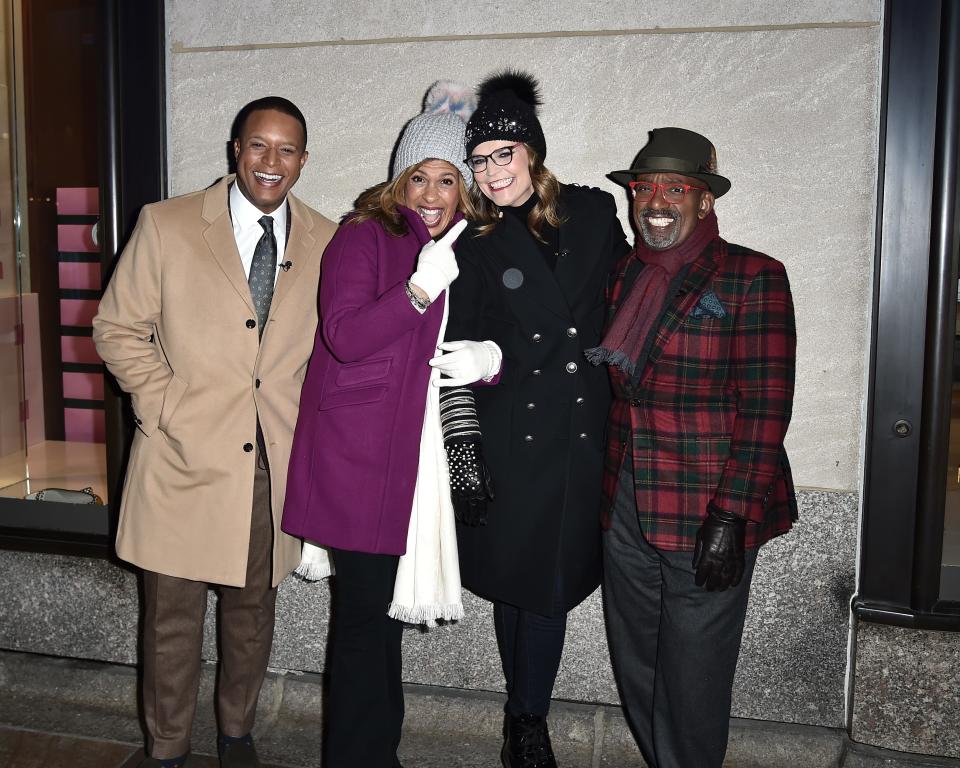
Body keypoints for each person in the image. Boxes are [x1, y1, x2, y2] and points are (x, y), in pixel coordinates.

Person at [92, 97, 337, 768]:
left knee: (251, 617)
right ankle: (166, 748)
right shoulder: (167, 224)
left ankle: (237, 734)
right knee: (171, 623)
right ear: (236, 148)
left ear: (304, 161)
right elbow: (117, 328)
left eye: (287, 150)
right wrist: (164, 404)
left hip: (270, 467)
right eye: (259, 145)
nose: (271, 162)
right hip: (180, 459)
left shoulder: (327, 238)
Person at [281, 82, 489, 768]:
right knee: (367, 623)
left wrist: (490, 360)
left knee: (379, 627)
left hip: (420, 456)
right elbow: (344, 336)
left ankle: (377, 755)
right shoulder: (363, 236)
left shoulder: (462, 246)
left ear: (464, 189)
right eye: (419, 177)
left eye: (447, 179)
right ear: (399, 181)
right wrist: (417, 291)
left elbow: (472, 340)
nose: (432, 193)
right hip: (359, 458)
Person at [438, 71, 630, 768]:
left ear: (533, 155)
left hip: (583, 434)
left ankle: (525, 714)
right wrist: (465, 457)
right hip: (513, 438)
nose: (490, 174)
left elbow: (625, 304)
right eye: (480, 160)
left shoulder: (595, 214)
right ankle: (527, 723)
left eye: (504, 156)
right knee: (524, 583)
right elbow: (451, 356)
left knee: (547, 588)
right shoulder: (470, 244)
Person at [591, 127, 797, 768]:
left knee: (694, 678)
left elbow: (766, 410)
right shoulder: (624, 272)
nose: (656, 201)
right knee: (638, 665)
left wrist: (732, 516)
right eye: (644, 187)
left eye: (675, 188)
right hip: (626, 501)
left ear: (704, 201)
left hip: (708, 506)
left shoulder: (752, 276)